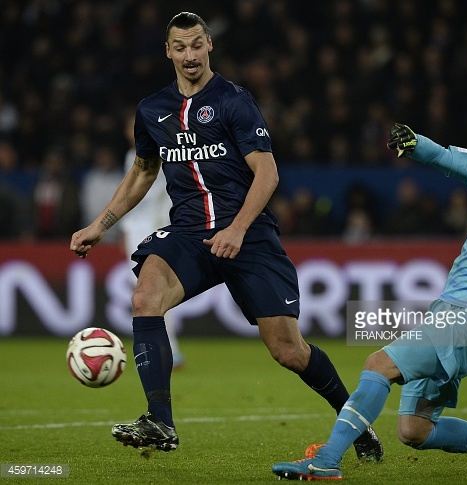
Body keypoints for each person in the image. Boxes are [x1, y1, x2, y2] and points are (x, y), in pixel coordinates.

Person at [70, 12, 382, 460]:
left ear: (209, 44)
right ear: (168, 52)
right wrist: (98, 226)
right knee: (145, 298)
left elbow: (268, 172)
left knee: (288, 350)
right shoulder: (152, 110)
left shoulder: (234, 101)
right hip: (189, 233)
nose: (190, 55)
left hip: (248, 236)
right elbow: (142, 170)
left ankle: (356, 422)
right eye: (180, 47)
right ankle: (160, 420)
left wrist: (237, 229)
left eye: (197, 44)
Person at [272, 105, 467, 480]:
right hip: (448, 314)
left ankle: (327, 459)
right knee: (414, 430)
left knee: (379, 364)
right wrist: (413, 143)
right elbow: (443, 156)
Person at [118, 113, 184, 368]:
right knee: (147, 293)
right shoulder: (130, 157)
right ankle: (165, 349)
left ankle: (168, 350)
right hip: (135, 230)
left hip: (155, 230)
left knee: (153, 292)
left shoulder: (162, 153)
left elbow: (154, 195)